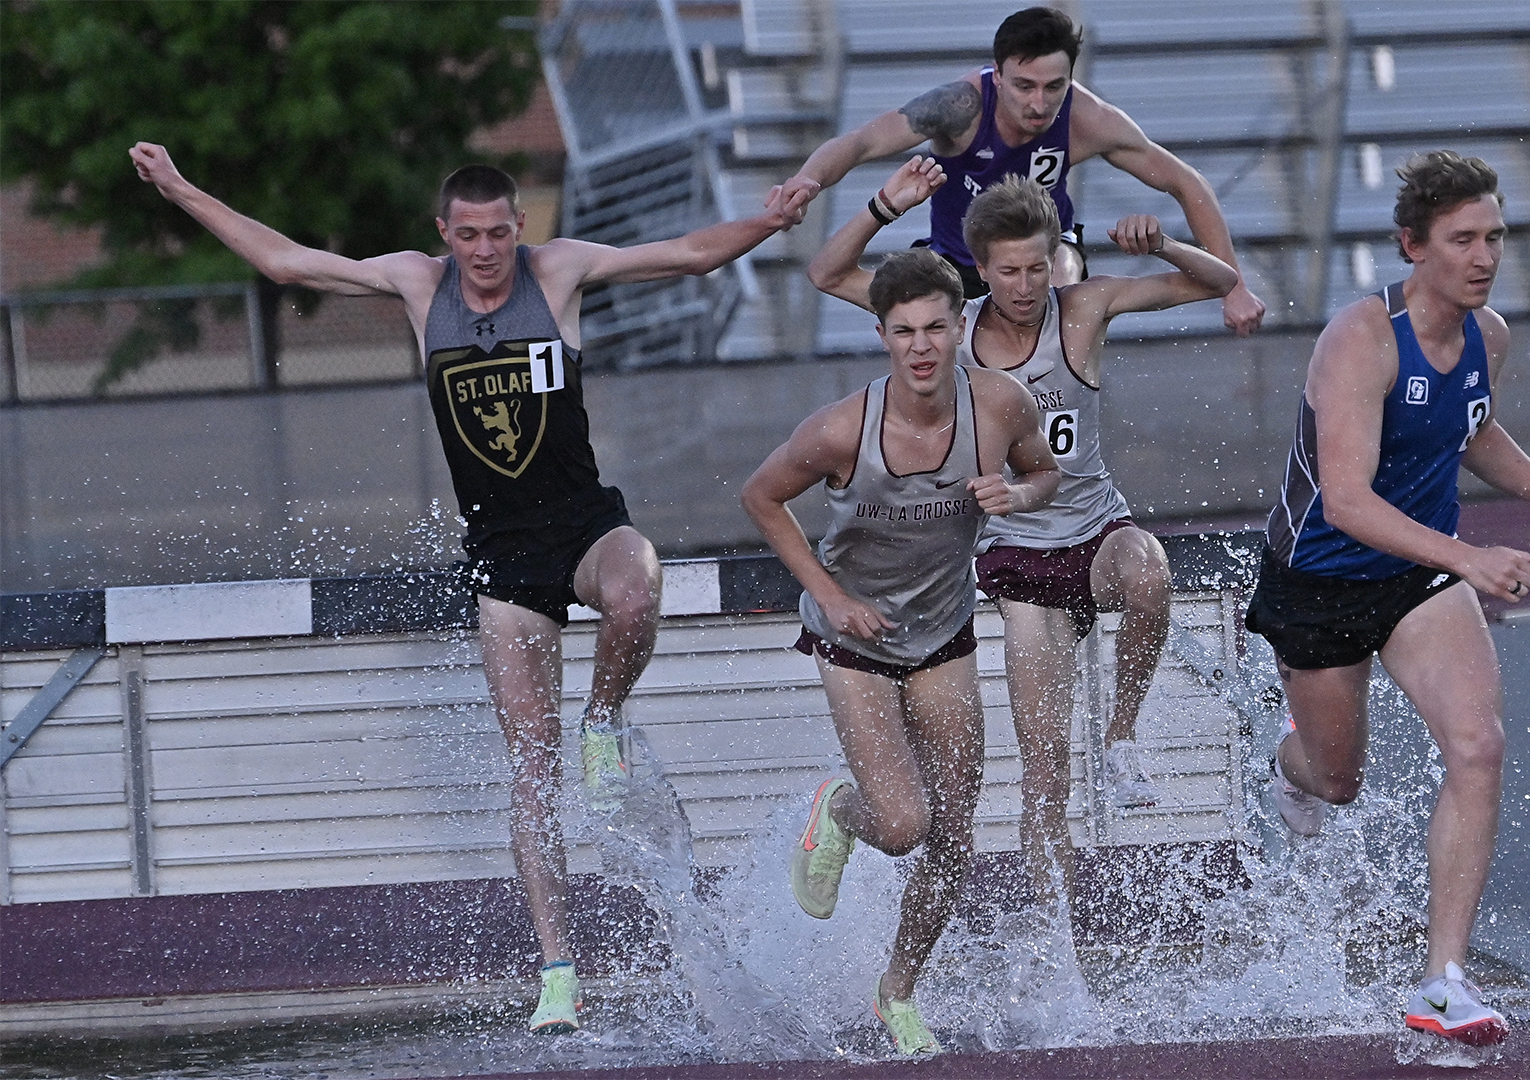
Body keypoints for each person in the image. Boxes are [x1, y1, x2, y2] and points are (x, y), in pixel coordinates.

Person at [129, 142, 812, 1034]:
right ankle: (558, 972)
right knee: (531, 771)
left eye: (499, 233)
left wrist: (772, 217)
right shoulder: (418, 287)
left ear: (519, 228)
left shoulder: (557, 271)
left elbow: (685, 254)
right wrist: (182, 189)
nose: (486, 252)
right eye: (469, 237)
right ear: (443, 235)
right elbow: (286, 261)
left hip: (583, 529)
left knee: (639, 588)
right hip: (502, 558)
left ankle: (604, 720)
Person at [1241, 151, 1530, 1045]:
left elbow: (1475, 429)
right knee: (1337, 782)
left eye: (1494, 235)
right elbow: (1344, 499)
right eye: (1462, 239)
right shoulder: (1360, 340)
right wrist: (1472, 553)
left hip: (1419, 578)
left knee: (1479, 743)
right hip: (1321, 578)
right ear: (1414, 246)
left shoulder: (1489, 335)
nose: (1483, 255)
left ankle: (1443, 979)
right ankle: (1284, 766)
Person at [808, 162, 1237, 899]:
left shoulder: (1084, 308)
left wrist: (1163, 241)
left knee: (1150, 569)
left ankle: (1123, 737)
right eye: (1009, 272)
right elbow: (827, 272)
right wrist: (884, 205)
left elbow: (1219, 282)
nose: (1027, 286)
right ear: (981, 270)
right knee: (1045, 772)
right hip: (1017, 564)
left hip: (1096, 534)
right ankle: (1054, 947)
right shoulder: (952, 330)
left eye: (1039, 267)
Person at [740, 250, 1059, 1057]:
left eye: (936, 329)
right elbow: (761, 496)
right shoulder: (843, 428)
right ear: (882, 337)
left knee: (954, 834)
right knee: (903, 824)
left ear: (961, 329)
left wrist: (1016, 495)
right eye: (904, 332)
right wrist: (833, 594)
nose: (922, 348)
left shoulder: (1002, 404)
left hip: (943, 631)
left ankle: (897, 992)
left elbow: (1046, 474)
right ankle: (840, 811)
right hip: (855, 638)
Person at [767, 5, 1268, 336]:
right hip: (958, 260)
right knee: (918, 328)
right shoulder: (959, 108)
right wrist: (806, 181)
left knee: (1060, 274)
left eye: (1054, 86)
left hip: (1046, 253)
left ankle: (1056, 402)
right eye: (1024, 86)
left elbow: (1187, 182)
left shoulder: (1088, 119)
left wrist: (1238, 284)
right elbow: (860, 142)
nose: (1039, 103)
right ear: (997, 74)